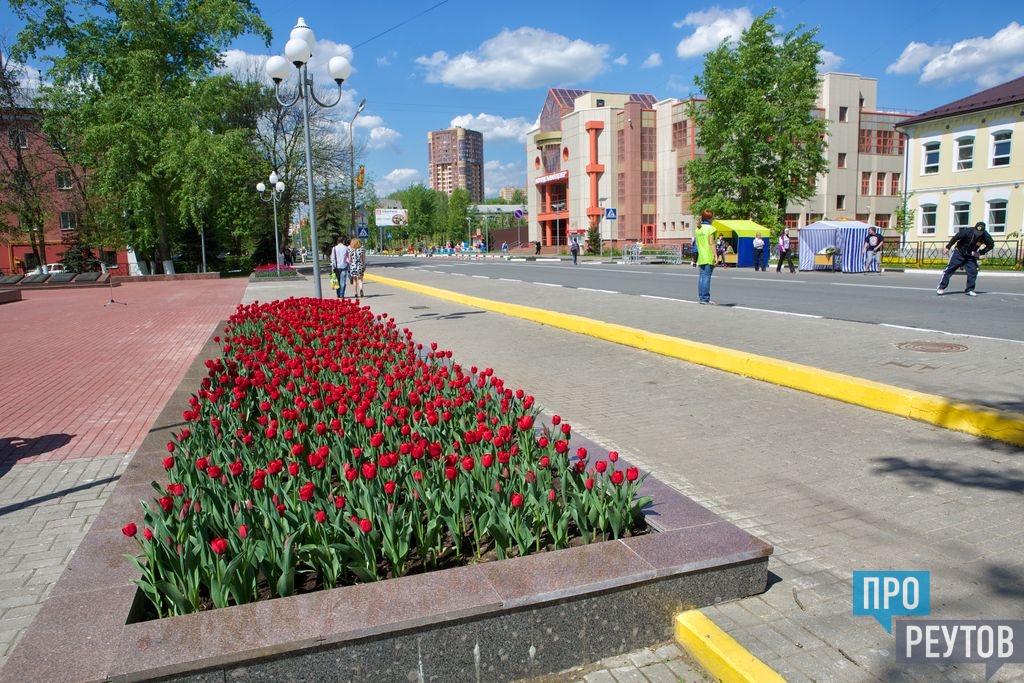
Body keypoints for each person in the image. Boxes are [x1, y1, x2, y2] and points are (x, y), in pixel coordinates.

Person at [936, 221, 995, 296]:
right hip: (959, 253)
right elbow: (955, 237)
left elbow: (991, 245)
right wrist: (948, 247)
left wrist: (981, 252)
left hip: (971, 256)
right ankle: (941, 287)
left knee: (973, 272)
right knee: (949, 270)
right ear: (974, 229)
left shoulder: (985, 236)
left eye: (980, 232)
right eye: (976, 231)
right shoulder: (967, 232)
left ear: (983, 232)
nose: (978, 233)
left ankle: (969, 290)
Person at [695, 209, 716, 304]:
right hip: (708, 254)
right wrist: (715, 255)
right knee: (707, 277)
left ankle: (701, 297)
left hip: (701, 255)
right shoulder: (710, 228)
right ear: (710, 218)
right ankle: (705, 298)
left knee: (702, 277)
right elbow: (711, 243)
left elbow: (697, 243)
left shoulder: (698, 228)